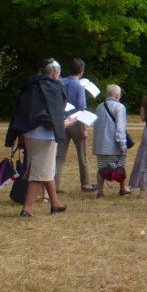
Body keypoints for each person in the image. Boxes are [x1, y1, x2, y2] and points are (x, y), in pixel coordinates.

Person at [6, 58, 73, 218]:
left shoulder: (30, 86)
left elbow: (22, 111)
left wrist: (20, 133)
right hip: (45, 135)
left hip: (29, 133)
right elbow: (55, 112)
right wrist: (66, 124)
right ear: (55, 73)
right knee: (39, 172)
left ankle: (55, 203)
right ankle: (27, 208)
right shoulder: (54, 87)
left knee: (43, 168)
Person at [55, 58, 94, 193]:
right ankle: (85, 184)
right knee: (82, 155)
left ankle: (54, 186)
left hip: (62, 122)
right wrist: (84, 129)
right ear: (81, 71)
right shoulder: (79, 86)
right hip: (76, 122)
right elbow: (81, 108)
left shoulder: (61, 82)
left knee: (59, 156)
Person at [92, 84, 131, 197]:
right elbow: (120, 127)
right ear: (117, 95)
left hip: (100, 145)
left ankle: (100, 192)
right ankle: (123, 188)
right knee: (120, 166)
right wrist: (122, 144)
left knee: (101, 169)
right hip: (113, 145)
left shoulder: (99, 107)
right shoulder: (120, 107)